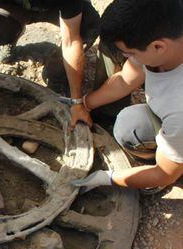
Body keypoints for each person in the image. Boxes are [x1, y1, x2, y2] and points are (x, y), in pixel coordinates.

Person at [70, 0, 183, 193]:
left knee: (129, 127)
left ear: (158, 46)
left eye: (130, 54)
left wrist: (107, 178)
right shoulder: (167, 33)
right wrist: (83, 104)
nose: (128, 59)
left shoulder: (178, 108)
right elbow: (125, 79)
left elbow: (165, 172)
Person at [0, 0, 100, 101]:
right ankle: (12, 31)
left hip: (55, 7)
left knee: (88, 27)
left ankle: (57, 70)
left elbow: (72, 41)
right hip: (15, 7)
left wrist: (77, 101)